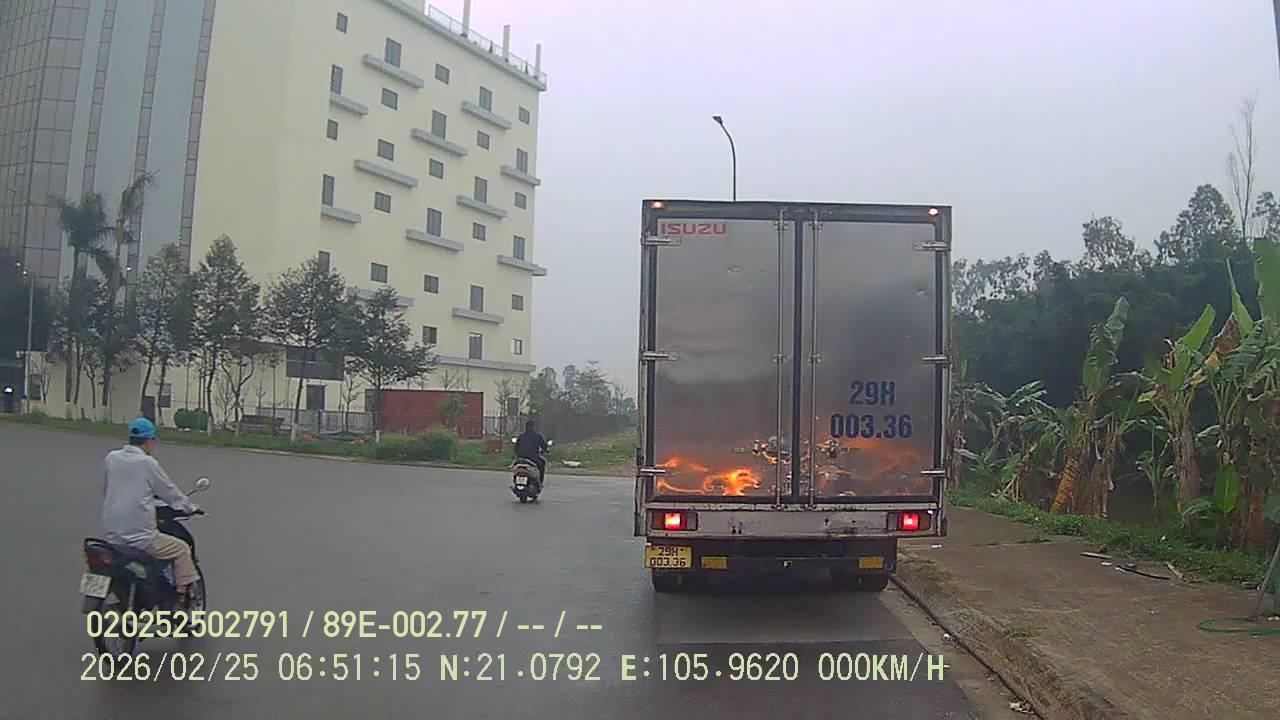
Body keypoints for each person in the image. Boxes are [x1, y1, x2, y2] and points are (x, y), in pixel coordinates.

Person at [102, 418, 200, 599]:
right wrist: (189, 507)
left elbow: (109, 489)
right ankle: (180, 599)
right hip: (141, 538)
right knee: (182, 549)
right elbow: (169, 492)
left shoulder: (111, 458)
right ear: (149, 441)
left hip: (113, 536)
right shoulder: (147, 463)